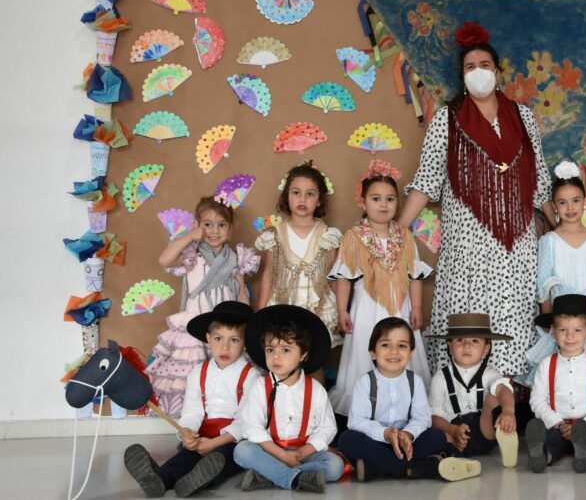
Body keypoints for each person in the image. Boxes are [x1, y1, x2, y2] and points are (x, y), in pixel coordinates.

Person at [397, 21, 554, 375]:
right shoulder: (447, 121)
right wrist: (396, 230)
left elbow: (540, 180)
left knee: (512, 316)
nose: (478, 73)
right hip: (467, 241)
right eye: (470, 67)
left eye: (484, 66)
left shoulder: (524, 118)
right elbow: (427, 179)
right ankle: (459, 403)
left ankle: (508, 399)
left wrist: (560, 228)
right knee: (467, 321)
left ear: (497, 73)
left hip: (517, 245)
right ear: (461, 75)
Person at [328, 160, 432, 417]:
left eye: (390, 199)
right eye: (376, 198)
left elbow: (414, 275)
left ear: (397, 203)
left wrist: (416, 307)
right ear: (363, 202)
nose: (383, 204)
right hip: (366, 307)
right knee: (367, 350)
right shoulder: (354, 236)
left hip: (401, 306)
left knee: (400, 347)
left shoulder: (404, 236)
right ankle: (367, 410)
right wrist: (343, 310)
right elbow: (344, 277)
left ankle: (404, 408)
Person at [124, 301, 258, 497]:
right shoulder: (198, 372)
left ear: (244, 343)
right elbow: (193, 411)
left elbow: (246, 421)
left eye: (234, 340)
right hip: (204, 434)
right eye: (218, 338)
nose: (225, 347)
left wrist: (215, 443)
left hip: (233, 438)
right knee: (186, 455)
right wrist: (187, 432)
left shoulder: (251, 376)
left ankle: (198, 480)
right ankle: (160, 478)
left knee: (225, 457)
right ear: (208, 339)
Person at [147, 197, 260, 416]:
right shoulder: (192, 255)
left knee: (226, 375)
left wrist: (247, 323)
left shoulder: (237, 258)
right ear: (198, 225)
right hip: (196, 325)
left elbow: (241, 295)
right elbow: (164, 260)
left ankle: (220, 417)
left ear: (230, 228)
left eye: (221, 225)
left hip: (225, 327)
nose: (214, 231)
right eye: (207, 224)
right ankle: (191, 420)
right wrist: (189, 236)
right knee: (194, 376)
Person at [519, 161, 586, 386]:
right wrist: (548, 320)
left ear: (585, 202)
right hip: (562, 320)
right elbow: (544, 284)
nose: (570, 207)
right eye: (562, 202)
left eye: (576, 200)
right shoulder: (549, 242)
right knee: (561, 372)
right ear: (554, 206)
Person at [336, 318, 481, 482]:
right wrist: (386, 434)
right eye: (385, 345)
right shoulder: (365, 382)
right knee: (347, 439)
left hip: (408, 444)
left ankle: (376, 469)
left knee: (437, 437)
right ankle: (415, 468)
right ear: (373, 352)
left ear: (411, 353)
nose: (394, 351)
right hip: (377, 442)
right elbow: (357, 421)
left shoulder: (415, 382)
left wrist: (407, 435)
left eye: (402, 346)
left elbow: (422, 418)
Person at [233, 304, 345, 492]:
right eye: (270, 350)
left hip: (303, 453)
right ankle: (294, 478)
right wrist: (281, 456)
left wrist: (304, 451)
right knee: (242, 450)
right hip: (270, 451)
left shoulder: (316, 390)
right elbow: (252, 426)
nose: (276, 356)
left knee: (335, 466)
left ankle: (269, 475)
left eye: (285, 350)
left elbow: (327, 427)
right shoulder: (260, 386)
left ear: (303, 355)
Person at [254, 162, 342, 368]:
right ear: (287, 196)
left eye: (310, 194)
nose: (302, 199)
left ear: (319, 200)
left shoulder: (328, 235)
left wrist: (340, 310)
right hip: (284, 302)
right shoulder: (274, 235)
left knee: (314, 362)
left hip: (318, 305)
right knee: (283, 359)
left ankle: (315, 399)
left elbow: (334, 276)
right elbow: (268, 273)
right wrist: (260, 310)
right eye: (296, 192)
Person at [526, 294, 586, 474]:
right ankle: (543, 456)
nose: (570, 336)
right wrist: (559, 424)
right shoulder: (546, 365)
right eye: (563, 330)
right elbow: (537, 400)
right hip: (558, 425)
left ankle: (585, 455)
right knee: (552, 440)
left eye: (578, 330)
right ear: (553, 331)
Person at [426, 313, 519, 467]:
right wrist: (452, 429)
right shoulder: (440, 378)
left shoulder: (490, 373)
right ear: (450, 347)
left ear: (486, 349)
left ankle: (506, 437)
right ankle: (456, 460)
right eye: (459, 340)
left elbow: (504, 389)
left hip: (486, 431)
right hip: (456, 436)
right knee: (435, 432)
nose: (466, 345)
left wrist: (508, 411)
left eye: (475, 341)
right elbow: (434, 417)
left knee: (494, 396)